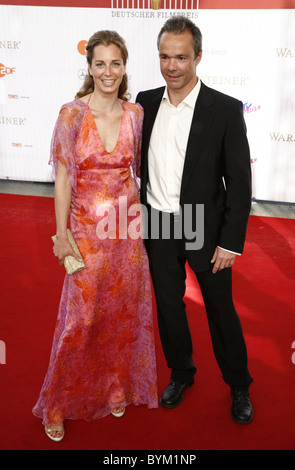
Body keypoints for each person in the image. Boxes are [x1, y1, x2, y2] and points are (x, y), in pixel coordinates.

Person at [32, 30, 158, 442]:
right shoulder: (72, 114)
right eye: (100, 63)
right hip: (86, 232)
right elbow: (64, 178)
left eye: (115, 64)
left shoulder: (136, 113)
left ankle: (115, 386)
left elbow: (134, 174)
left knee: (122, 316)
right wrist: (61, 234)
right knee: (80, 320)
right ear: (89, 68)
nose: (108, 72)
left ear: (125, 67)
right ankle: (56, 402)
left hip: (125, 235)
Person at [136, 16, 254, 424]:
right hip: (159, 224)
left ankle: (239, 384)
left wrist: (230, 241)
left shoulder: (223, 109)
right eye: (165, 57)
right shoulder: (145, 101)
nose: (172, 66)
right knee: (169, 308)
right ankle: (181, 372)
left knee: (221, 310)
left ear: (198, 57)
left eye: (181, 57)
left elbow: (239, 182)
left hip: (205, 227)